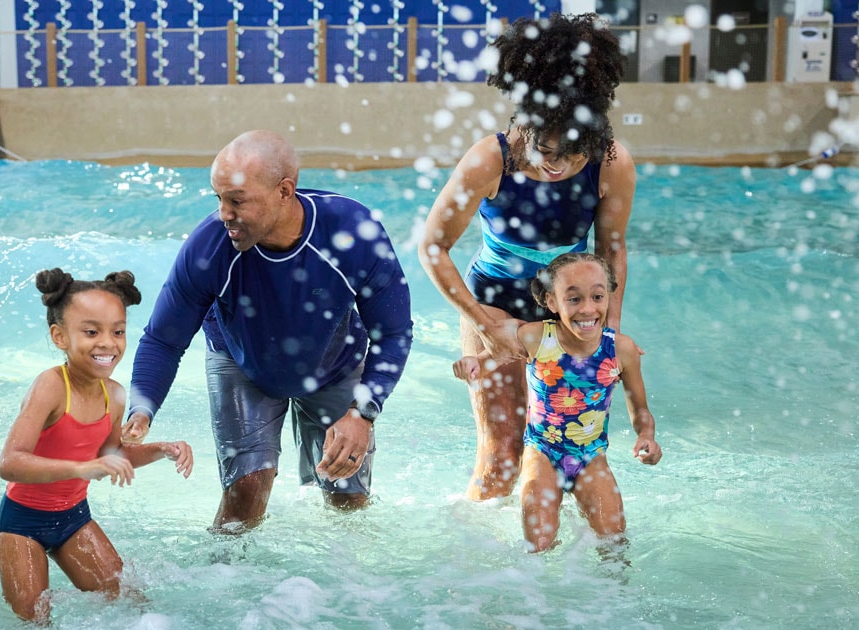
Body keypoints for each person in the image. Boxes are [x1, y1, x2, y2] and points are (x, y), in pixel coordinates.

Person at [120, 130, 413, 532]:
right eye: (218, 199)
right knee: (244, 499)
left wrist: (362, 412)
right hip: (242, 361)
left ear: (284, 191)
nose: (224, 213)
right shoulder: (209, 248)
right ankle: (225, 585)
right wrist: (142, 406)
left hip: (335, 362)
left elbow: (393, 332)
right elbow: (163, 339)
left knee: (348, 499)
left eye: (237, 201)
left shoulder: (352, 233)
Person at [419, 12, 636, 501]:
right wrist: (483, 324)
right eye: (547, 151)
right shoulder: (489, 160)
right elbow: (433, 246)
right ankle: (480, 568)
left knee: (571, 449)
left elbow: (612, 252)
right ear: (525, 124)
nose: (558, 166)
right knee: (502, 454)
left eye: (574, 155)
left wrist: (607, 334)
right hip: (491, 303)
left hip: (568, 310)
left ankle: (557, 566)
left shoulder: (611, 163)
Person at [0, 268, 194, 623]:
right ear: (59, 336)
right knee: (35, 620)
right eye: (91, 332)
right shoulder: (51, 386)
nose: (108, 343)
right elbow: (10, 463)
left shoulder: (115, 395)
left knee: (133, 606)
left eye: (118, 331)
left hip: (74, 519)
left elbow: (109, 456)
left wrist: (164, 449)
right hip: (23, 523)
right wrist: (80, 468)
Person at [453, 252, 660, 552]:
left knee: (614, 543)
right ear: (551, 302)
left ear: (609, 297)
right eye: (574, 299)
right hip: (542, 454)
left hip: (591, 457)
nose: (588, 308)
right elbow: (490, 359)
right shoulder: (537, 338)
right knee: (538, 546)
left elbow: (640, 409)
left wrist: (646, 436)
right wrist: (472, 366)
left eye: (598, 296)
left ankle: (611, 599)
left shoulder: (621, 350)